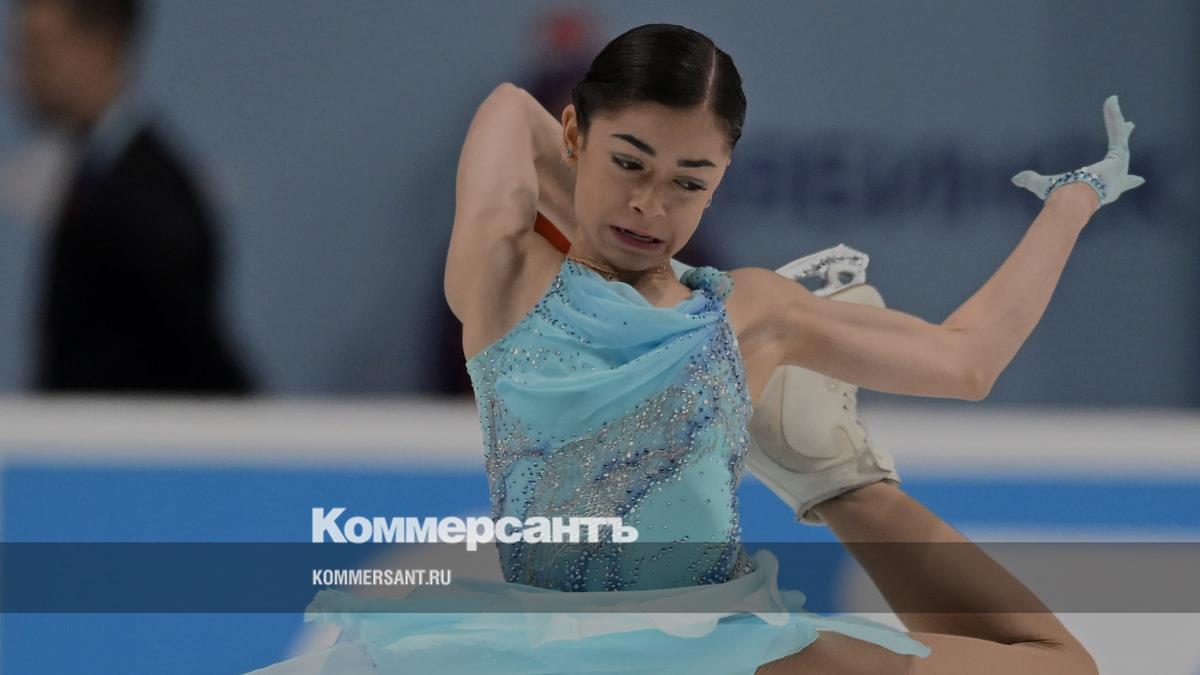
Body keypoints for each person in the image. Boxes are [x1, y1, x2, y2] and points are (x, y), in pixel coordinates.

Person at [255, 23, 1143, 674]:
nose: (651, 204)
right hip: (692, 649)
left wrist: (1071, 205)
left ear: (721, 183)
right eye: (629, 162)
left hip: (697, 644)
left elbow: (968, 360)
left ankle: (825, 466)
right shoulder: (720, 309)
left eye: (689, 181)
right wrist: (1078, 197)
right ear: (574, 135)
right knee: (1060, 663)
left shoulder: (523, 271)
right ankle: (826, 468)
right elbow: (508, 107)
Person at [12, 0, 252, 393]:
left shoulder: (151, 198)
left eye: (40, 49)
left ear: (103, 45)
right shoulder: (94, 174)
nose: (21, 74)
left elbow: (194, 357)